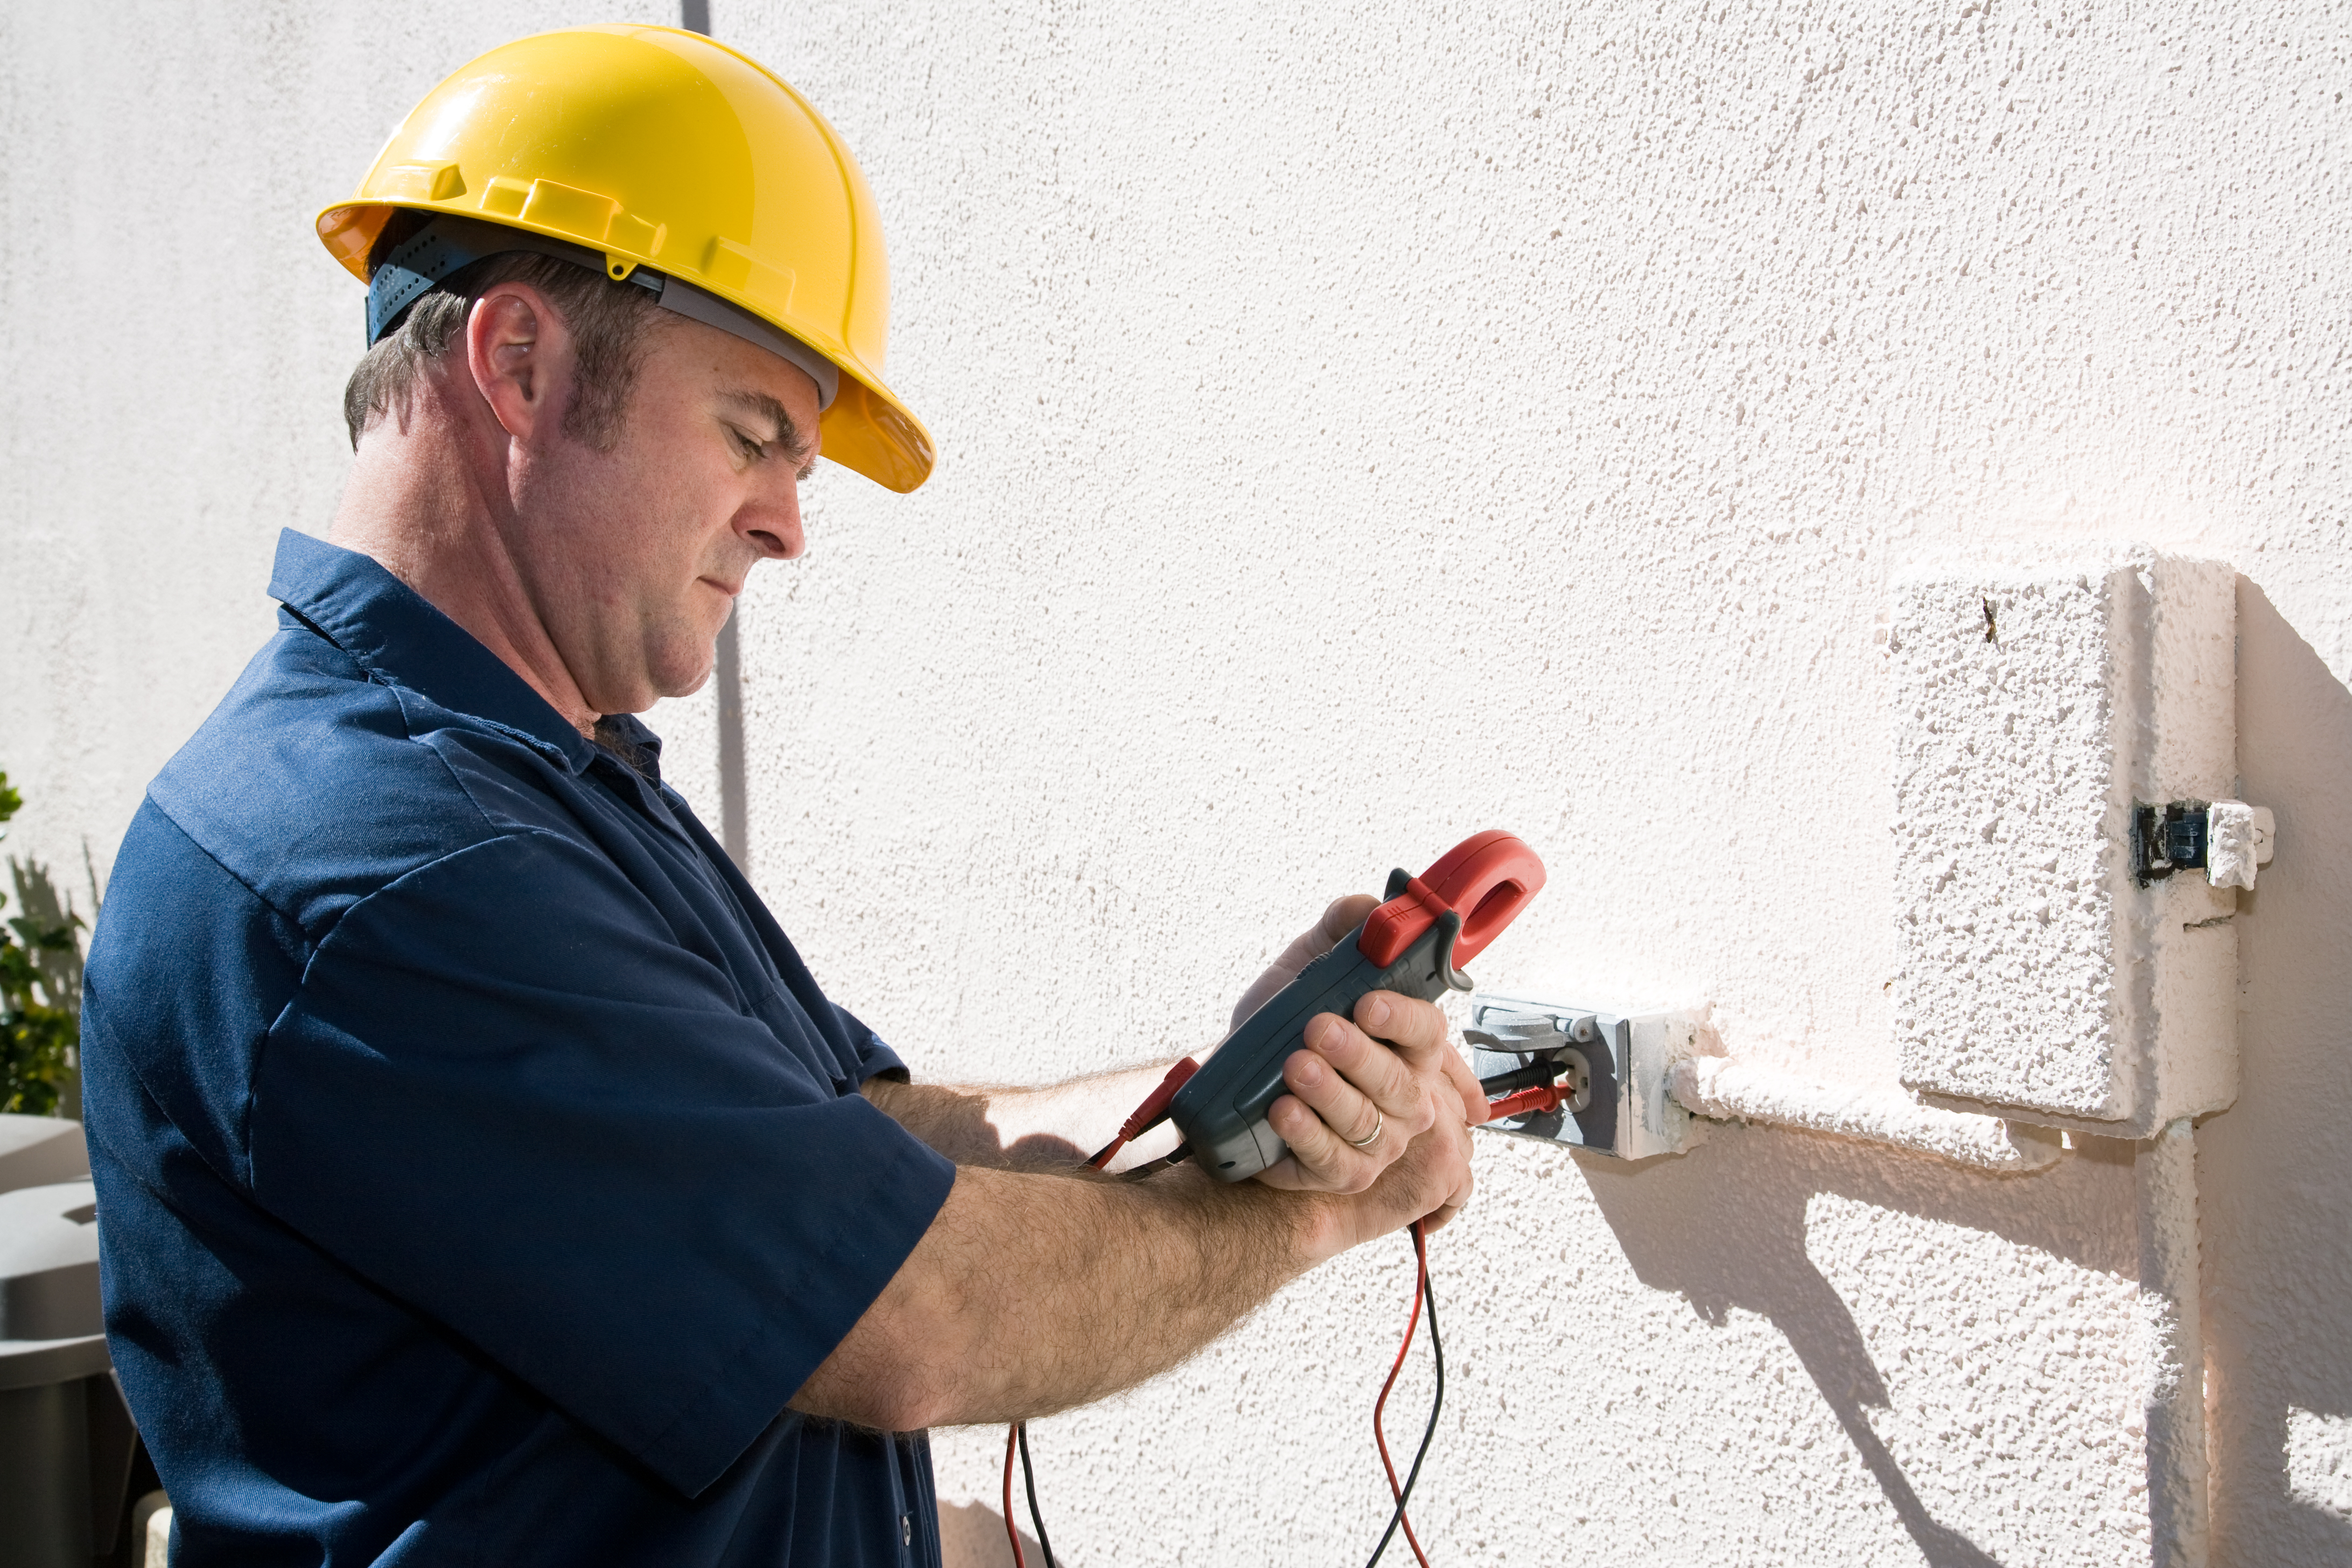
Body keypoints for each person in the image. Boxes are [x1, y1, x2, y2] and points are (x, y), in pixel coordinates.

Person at [81, 25, 1481, 1567]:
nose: (789, 527)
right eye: (756, 435)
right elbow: (912, 1316)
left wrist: (1225, 1090)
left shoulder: (537, 770)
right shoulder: (366, 863)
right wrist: (1314, 1212)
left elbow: (848, 1141)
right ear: (523, 364)